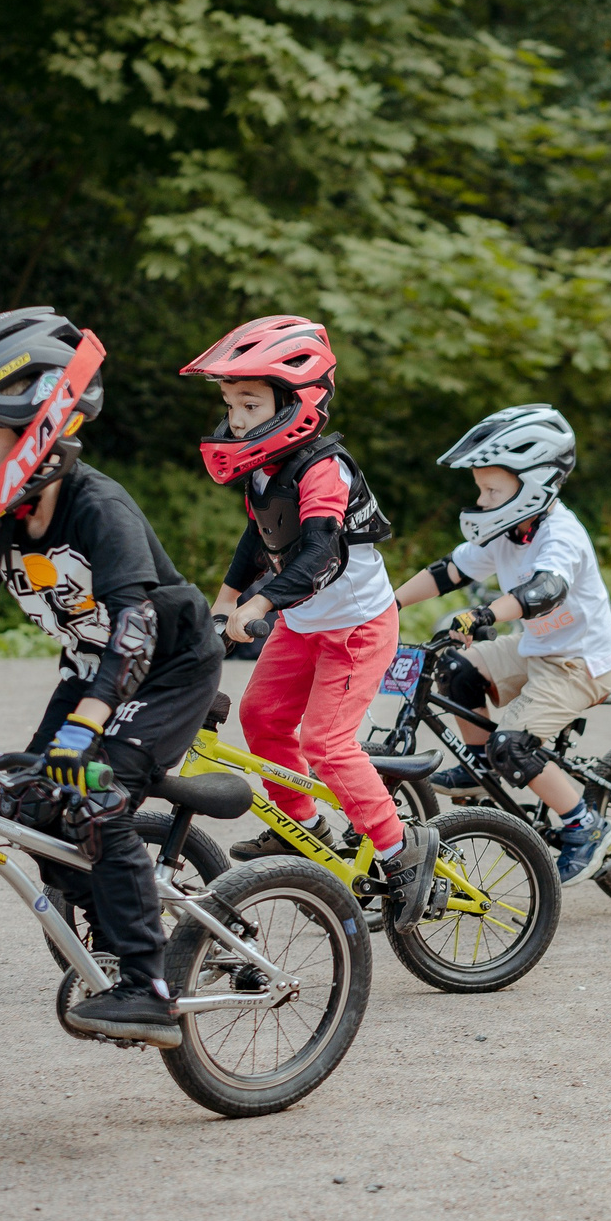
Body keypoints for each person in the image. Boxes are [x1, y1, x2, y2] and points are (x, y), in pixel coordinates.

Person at [0, 308, 228, 1046]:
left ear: (36, 440)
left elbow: (137, 623)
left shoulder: (98, 509)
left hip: (165, 667)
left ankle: (146, 985)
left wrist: (88, 720)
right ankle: (110, 925)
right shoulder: (4, 517)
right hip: (94, 666)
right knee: (28, 807)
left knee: (94, 799)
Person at [183, 314, 411, 867]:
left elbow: (319, 550)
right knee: (262, 718)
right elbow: (260, 536)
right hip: (303, 621)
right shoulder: (264, 468)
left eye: (250, 406)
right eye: (231, 406)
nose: (235, 421)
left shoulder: (323, 470)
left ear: (294, 405)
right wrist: (225, 601)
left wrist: (260, 602)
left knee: (327, 745)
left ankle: (401, 852)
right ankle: (303, 828)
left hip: (355, 628)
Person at [391, 404, 611, 885]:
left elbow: (543, 591)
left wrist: (484, 614)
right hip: (535, 647)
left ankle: (587, 827)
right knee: (457, 668)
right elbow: (449, 572)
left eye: (492, 489)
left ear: (536, 484)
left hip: (578, 662)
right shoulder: (506, 527)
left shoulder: (562, 534)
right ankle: (481, 770)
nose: (482, 500)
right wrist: (390, 604)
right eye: (480, 489)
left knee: (514, 746)